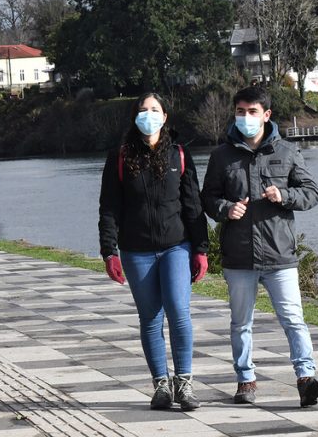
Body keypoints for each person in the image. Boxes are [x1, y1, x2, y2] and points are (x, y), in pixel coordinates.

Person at [201, 85, 318, 407]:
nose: (245, 117)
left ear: (266, 115)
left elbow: (312, 193)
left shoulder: (287, 151)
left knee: (293, 319)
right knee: (241, 323)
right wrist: (225, 209)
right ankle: (245, 380)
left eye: (252, 111)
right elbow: (207, 198)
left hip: (280, 255)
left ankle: (306, 378)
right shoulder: (220, 156)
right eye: (240, 111)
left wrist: (285, 196)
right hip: (238, 256)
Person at [98, 93, 208, 411]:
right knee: (149, 318)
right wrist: (109, 252)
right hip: (136, 251)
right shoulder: (119, 157)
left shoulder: (180, 155)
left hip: (176, 246)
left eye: (155, 110)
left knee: (178, 312)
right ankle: (161, 386)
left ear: (165, 117)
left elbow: (193, 206)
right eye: (143, 110)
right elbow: (109, 208)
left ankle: (184, 384)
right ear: (135, 117)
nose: (149, 115)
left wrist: (201, 249)